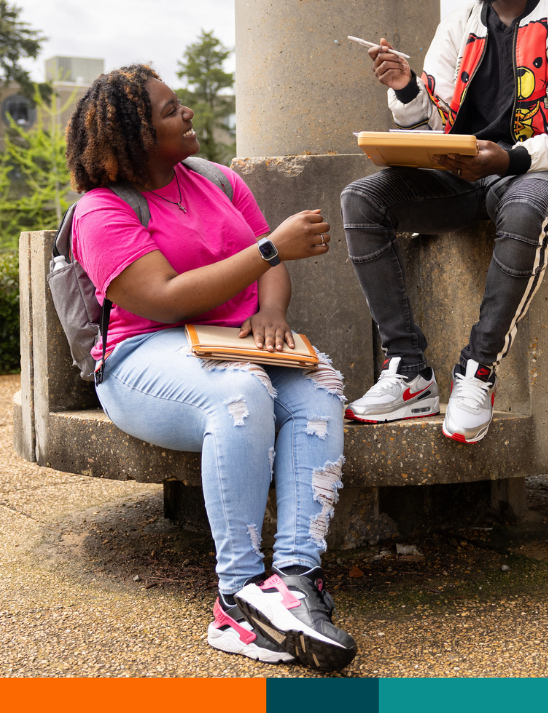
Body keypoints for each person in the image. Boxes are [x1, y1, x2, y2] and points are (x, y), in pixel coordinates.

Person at [66, 64, 357, 672]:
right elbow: (163, 298)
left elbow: (266, 267)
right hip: (142, 357)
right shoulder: (101, 211)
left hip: (237, 344)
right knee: (241, 394)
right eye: (171, 111)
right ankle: (238, 598)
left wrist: (272, 311)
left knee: (319, 390)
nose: (187, 114)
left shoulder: (218, 181)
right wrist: (270, 247)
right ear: (137, 137)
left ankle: (298, 579)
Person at [341, 0, 548, 444]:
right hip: (467, 175)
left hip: (544, 173)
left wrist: (510, 156)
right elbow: (429, 124)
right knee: (362, 199)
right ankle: (410, 371)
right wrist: (407, 88)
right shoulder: (460, 24)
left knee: (527, 203)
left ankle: (477, 371)